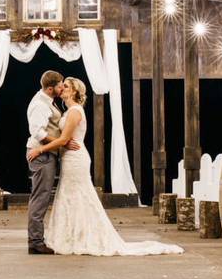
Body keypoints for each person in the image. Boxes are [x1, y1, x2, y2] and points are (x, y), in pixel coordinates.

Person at [28, 77, 184, 256]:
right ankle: (72, 235)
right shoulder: (68, 110)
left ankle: (82, 236)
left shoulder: (74, 111)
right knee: (71, 195)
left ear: (74, 92)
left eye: (66, 86)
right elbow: (61, 138)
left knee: (79, 195)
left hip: (75, 158)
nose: (62, 88)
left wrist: (40, 149)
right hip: (69, 158)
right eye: (61, 85)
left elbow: (64, 140)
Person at [25, 70, 80, 254]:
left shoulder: (47, 101)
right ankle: (35, 242)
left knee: (42, 196)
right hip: (41, 155)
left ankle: (36, 240)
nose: (62, 87)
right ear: (50, 88)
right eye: (59, 85)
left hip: (48, 154)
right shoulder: (40, 105)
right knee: (40, 197)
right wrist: (60, 143)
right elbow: (38, 132)